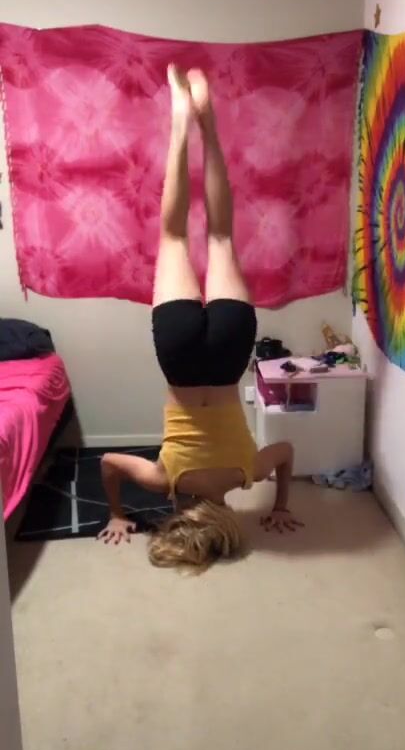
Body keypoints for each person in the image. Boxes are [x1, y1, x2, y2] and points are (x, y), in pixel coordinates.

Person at [97, 66, 303, 568]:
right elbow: (107, 463)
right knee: (173, 236)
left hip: (229, 355)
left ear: (227, 515)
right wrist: (118, 514)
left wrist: (280, 503)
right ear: (180, 515)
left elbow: (285, 452)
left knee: (221, 236)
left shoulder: (245, 473)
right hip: (182, 356)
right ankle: (178, 123)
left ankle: (206, 127)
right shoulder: (164, 479)